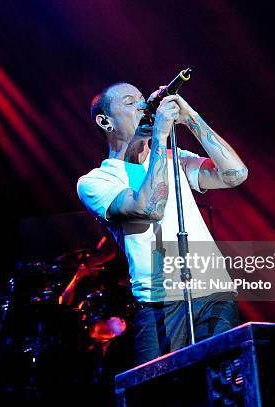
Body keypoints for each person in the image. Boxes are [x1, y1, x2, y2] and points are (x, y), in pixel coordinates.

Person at [77, 82, 248, 365]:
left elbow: (235, 174)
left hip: (214, 293)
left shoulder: (175, 159)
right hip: (160, 304)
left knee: (221, 390)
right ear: (104, 120)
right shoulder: (96, 181)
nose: (142, 106)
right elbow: (149, 208)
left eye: (144, 100)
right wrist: (159, 138)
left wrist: (190, 117)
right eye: (130, 102)